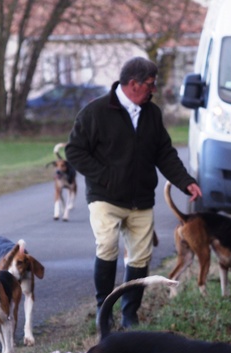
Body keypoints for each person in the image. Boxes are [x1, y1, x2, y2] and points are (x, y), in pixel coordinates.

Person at [66, 57, 202, 328]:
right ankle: (104, 310)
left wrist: (185, 182)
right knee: (107, 246)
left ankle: (130, 314)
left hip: (141, 199)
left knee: (140, 257)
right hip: (105, 198)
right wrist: (106, 177)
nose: (153, 90)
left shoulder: (152, 114)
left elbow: (164, 153)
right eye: (150, 84)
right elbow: (74, 152)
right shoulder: (96, 112)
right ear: (133, 84)